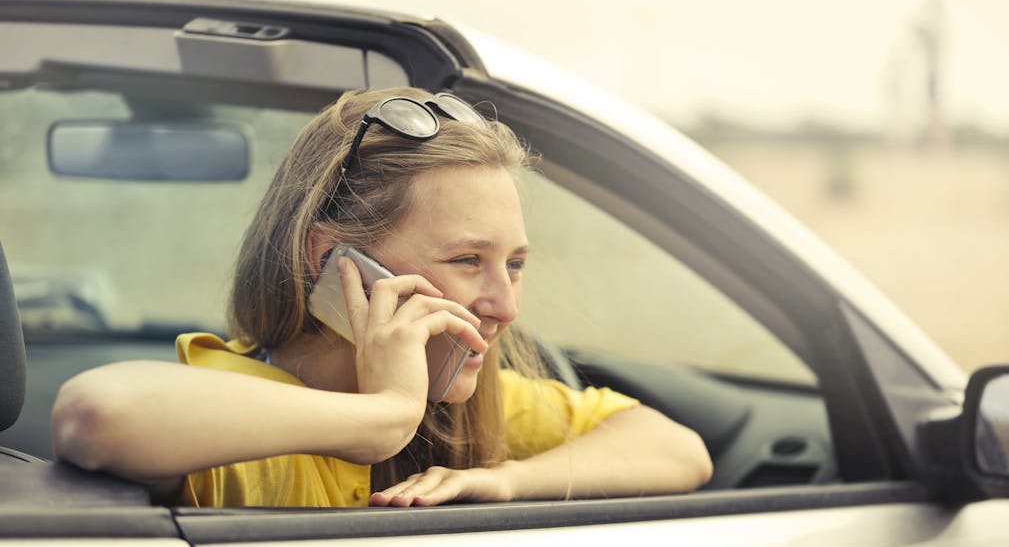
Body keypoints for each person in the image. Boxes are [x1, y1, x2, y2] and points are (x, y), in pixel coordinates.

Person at [51, 87, 712, 508]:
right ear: (331, 260)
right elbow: (95, 416)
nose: (505, 305)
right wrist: (385, 415)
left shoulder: (462, 404)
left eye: (514, 264)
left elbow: (680, 449)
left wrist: (508, 480)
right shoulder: (233, 401)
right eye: (466, 260)